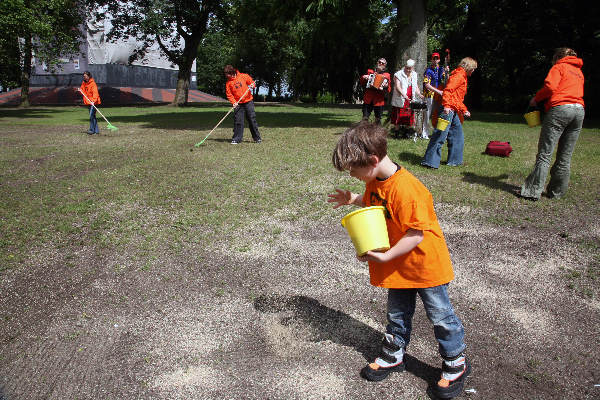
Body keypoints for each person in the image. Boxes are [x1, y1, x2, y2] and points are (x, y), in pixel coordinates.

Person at [328, 121, 470, 399]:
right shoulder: (375, 181)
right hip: (399, 266)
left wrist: (387, 255)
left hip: (424, 265)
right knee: (397, 313)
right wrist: (353, 198)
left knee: (440, 315)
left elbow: (416, 234)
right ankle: (394, 354)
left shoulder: (408, 189)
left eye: (352, 170)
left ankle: (456, 362)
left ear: (372, 160)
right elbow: (375, 206)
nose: (351, 174)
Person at [520, 48, 585, 201]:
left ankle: (532, 191)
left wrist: (536, 98)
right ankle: (556, 192)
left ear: (557, 57)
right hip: (579, 111)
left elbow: (550, 87)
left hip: (561, 110)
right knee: (565, 156)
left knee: (545, 153)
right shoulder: (578, 72)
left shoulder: (559, 67)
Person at [421, 57, 477, 169]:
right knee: (440, 135)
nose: (474, 71)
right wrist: (446, 106)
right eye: (473, 68)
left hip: (453, 110)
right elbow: (447, 91)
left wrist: (463, 109)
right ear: (469, 67)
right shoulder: (458, 76)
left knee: (457, 135)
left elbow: (457, 98)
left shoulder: (462, 76)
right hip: (447, 110)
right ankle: (429, 162)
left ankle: (455, 161)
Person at [224, 65, 262, 144]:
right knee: (238, 121)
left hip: (248, 101)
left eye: (227, 74)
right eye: (226, 74)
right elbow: (229, 95)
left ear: (232, 72)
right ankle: (237, 138)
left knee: (251, 119)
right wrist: (233, 102)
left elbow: (252, 82)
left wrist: (252, 85)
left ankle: (257, 138)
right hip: (238, 104)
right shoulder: (228, 83)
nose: (226, 76)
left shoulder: (244, 76)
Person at [390, 59, 424, 138]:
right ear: (405, 67)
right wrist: (404, 95)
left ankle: (406, 134)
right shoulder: (398, 74)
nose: (408, 70)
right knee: (398, 117)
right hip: (400, 97)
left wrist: (419, 94)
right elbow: (398, 86)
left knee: (408, 117)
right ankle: (397, 133)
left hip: (410, 99)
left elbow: (415, 86)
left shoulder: (414, 74)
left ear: (413, 68)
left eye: (410, 68)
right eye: (407, 68)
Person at [422, 53, 449, 139]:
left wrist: (447, 72)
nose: (435, 60)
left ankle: (436, 133)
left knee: (437, 114)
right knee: (427, 114)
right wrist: (439, 91)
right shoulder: (428, 70)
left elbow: (447, 80)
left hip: (438, 96)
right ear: (431, 60)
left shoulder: (441, 69)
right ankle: (424, 134)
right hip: (429, 95)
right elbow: (427, 85)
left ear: (439, 60)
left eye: (437, 58)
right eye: (434, 58)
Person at [359, 58, 391, 125]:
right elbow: (362, 83)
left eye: (383, 63)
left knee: (378, 119)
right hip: (368, 97)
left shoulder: (387, 75)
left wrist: (386, 85)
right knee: (365, 117)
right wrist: (364, 77)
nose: (381, 64)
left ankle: (377, 133)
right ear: (377, 63)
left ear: (385, 66)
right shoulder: (369, 72)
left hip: (379, 99)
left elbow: (389, 88)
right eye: (379, 62)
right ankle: (363, 132)